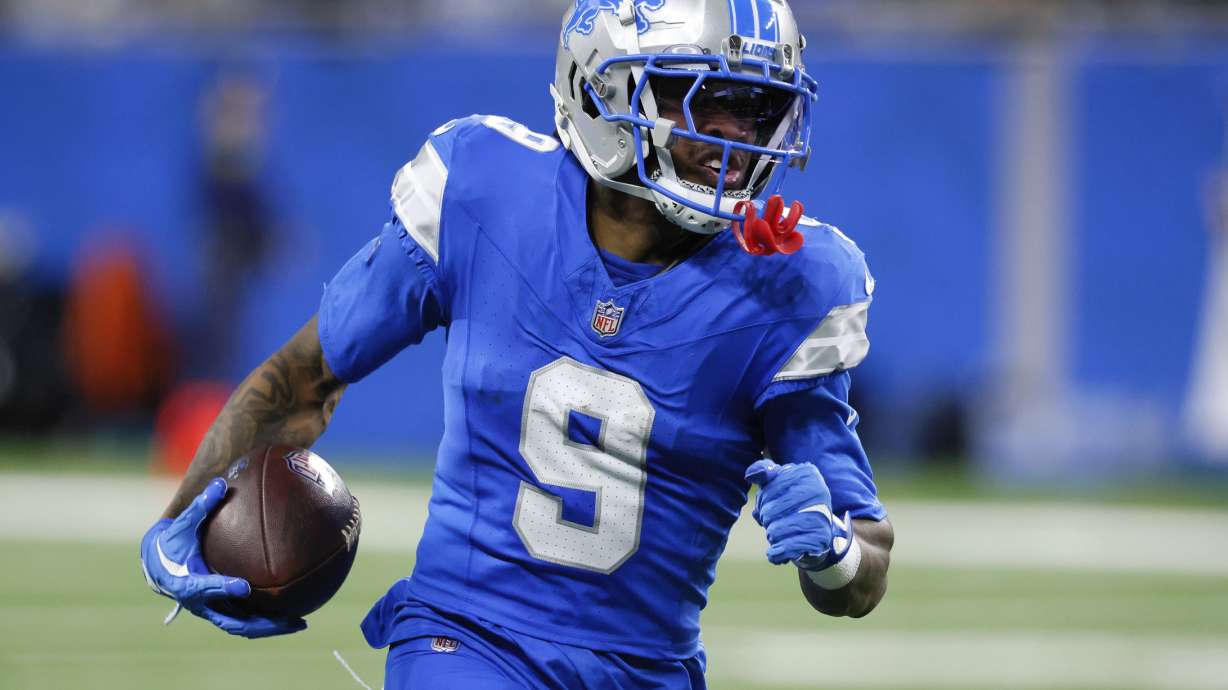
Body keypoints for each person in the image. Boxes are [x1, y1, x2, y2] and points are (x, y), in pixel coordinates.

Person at [140, 0, 895, 686]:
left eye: (755, 107)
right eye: (698, 98)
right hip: (465, 640)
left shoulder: (794, 284)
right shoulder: (482, 190)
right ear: (601, 87)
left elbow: (867, 561)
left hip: (648, 670)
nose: (732, 134)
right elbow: (306, 379)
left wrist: (833, 554)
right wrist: (180, 518)